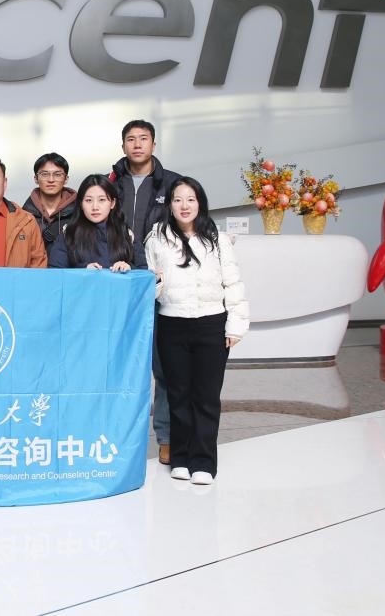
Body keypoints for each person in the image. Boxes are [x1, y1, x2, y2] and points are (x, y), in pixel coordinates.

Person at [146, 177, 249, 487]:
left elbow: (233, 283)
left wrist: (236, 325)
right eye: (178, 200)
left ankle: (203, 461)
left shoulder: (217, 238)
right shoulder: (156, 238)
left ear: (200, 203)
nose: (184, 206)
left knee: (206, 396)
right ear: (170, 204)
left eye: (190, 199)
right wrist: (156, 281)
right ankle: (180, 457)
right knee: (177, 395)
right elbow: (149, 288)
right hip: (172, 323)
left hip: (211, 323)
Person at [109, 119, 182, 466]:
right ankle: (111, 434)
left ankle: (166, 437)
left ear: (154, 144)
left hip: (157, 284)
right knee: (115, 365)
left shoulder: (172, 183)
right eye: (130, 139)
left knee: (163, 366)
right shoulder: (109, 183)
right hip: (118, 283)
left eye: (143, 138)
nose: (137, 144)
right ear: (122, 145)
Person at [48, 174, 145, 271]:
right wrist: (83, 270)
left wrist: (129, 268)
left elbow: (144, 273)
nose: (95, 207)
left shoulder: (127, 234)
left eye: (102, 200)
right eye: (88, 200)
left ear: (112, 203)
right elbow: (55, 273)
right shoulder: (68, 234)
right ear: (81, 204)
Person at [23, 152, 77, 249]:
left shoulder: (79, 213)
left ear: (66, 179)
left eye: (57, 174)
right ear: (36, 179)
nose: (51, 180)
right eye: (44, 174)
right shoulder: (23, 215)